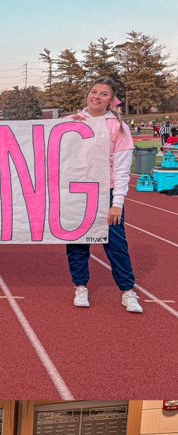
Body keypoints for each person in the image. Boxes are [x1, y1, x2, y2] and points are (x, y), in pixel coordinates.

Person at [66, 79, 142, 314]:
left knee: (116, 244)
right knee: (78, 242)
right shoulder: (70, 122)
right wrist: (69, 128)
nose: (97, 97)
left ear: (112, 100)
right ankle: (80, 286)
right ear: (87, 94)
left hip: (106, 192)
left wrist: (117, 203)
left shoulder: (117, 126)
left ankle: (128, 291)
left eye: (104, 94)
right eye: (94, 92)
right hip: (78, 191)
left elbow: (121, 168)